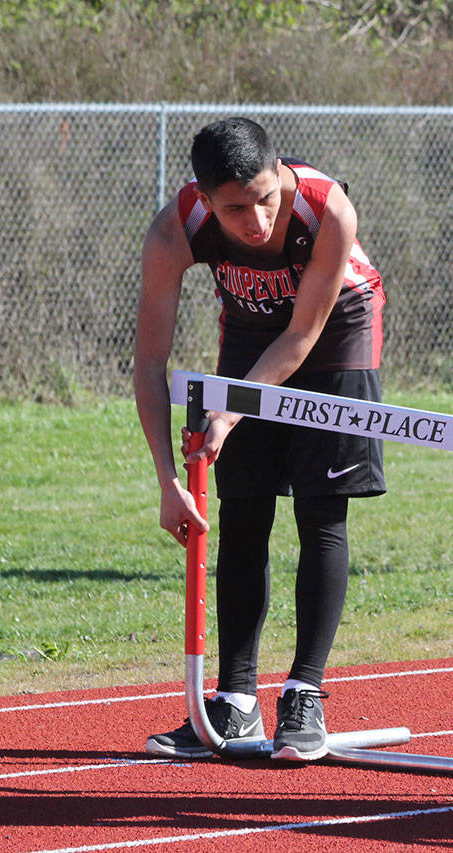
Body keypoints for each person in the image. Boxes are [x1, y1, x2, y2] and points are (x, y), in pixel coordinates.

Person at [133, 117, 386, 762]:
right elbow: (149, 362)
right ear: (204, 200)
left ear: (282, 178)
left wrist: (228, 413)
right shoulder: (175, 229)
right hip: (248, 332)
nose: (257, 221)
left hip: (335, 332)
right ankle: (236, 701)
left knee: (319, 511)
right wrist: (167, 482)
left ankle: (305, 692)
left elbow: (302, 335)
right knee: (242, 509)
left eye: (266, 198)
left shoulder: (328, 209)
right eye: (235, 209)